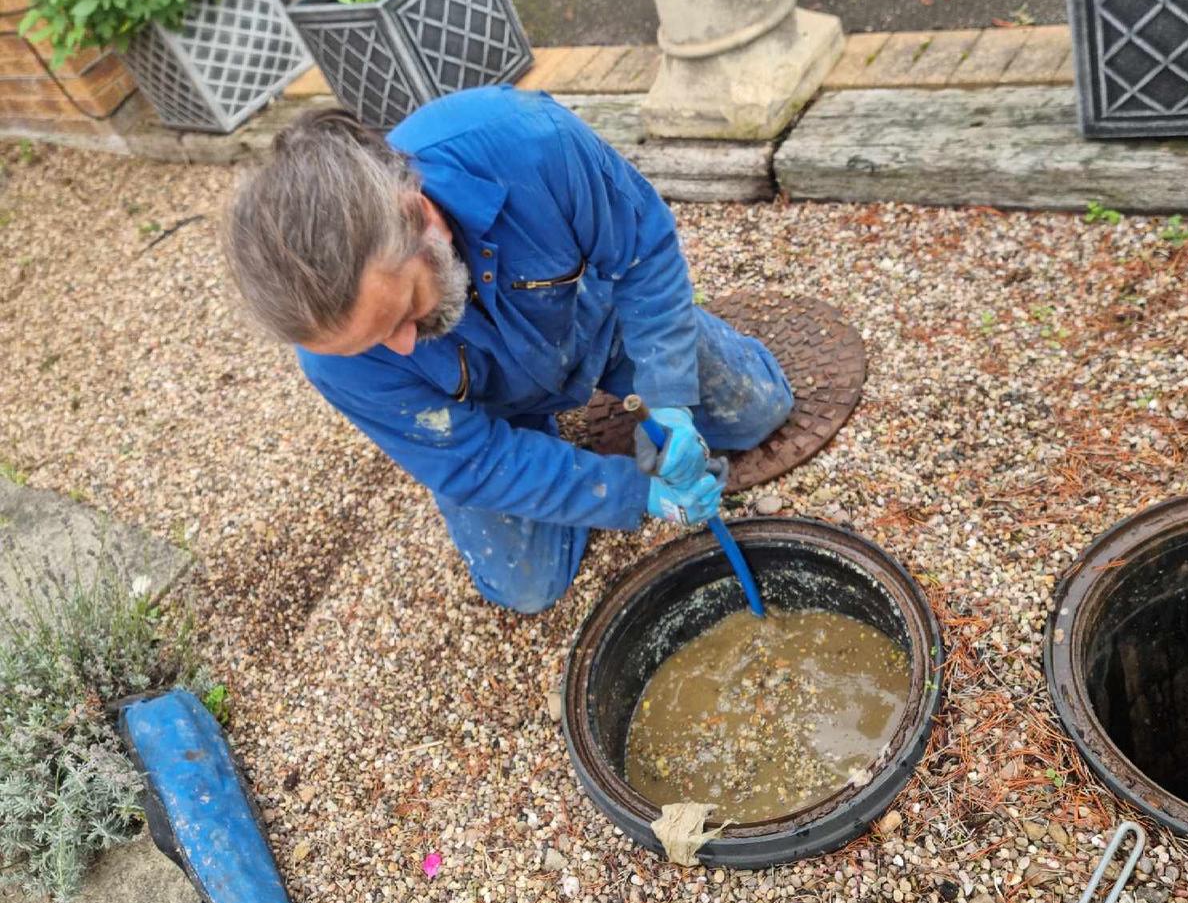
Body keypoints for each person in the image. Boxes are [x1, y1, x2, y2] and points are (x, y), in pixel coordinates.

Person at [224, 85, 793, 613]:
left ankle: (650, 377)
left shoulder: (529, 143)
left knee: (760, 412)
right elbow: (472, 461)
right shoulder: (329, 355)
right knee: (526, 587)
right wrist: (635, 493)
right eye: (373, 343)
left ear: (421, 217)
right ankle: (544, 435)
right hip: (488, 408)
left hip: (597, 326)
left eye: (402, 314)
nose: (400, 348)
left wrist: (668, 395)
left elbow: (643, 251)